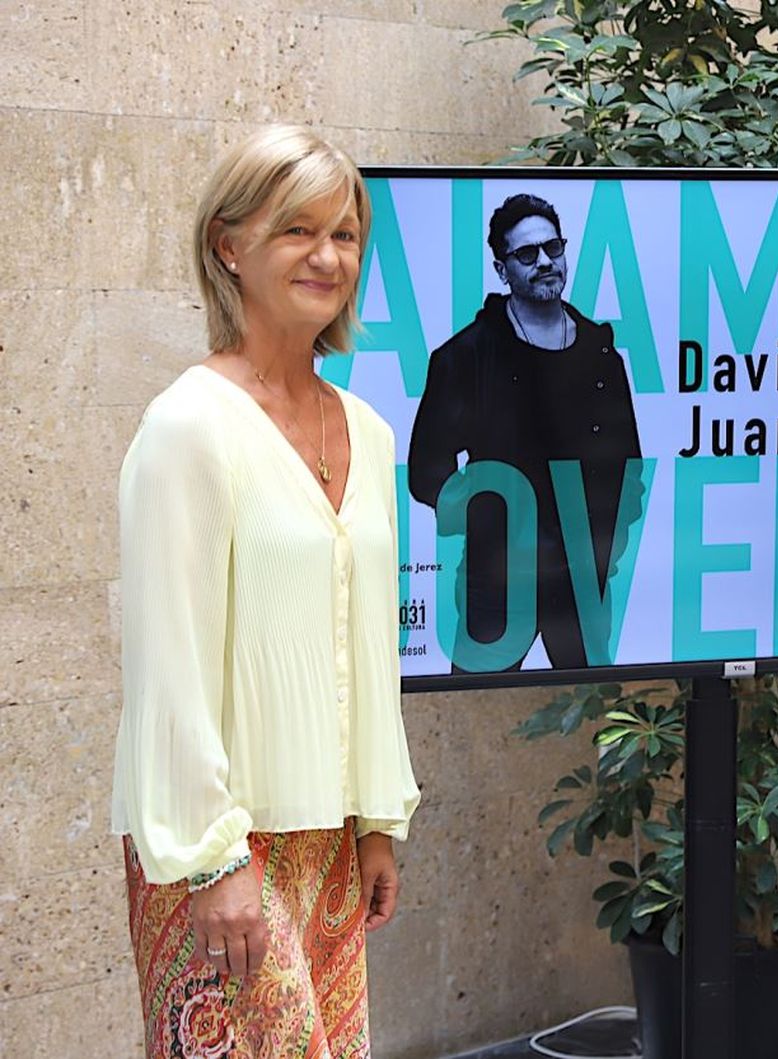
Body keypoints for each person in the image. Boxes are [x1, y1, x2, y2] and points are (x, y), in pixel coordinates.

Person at [112, 125, 421, 1058]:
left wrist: (374, 821)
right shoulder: (189, 427)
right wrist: (213, 859)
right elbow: (168, 660)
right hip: (213, 842)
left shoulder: (367, 430)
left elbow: (365, 647)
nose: (328, 256)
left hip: (328, 835)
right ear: (229, 246)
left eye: (345, 232)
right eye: (298, 230)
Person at [408, 192, 643, 672]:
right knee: (473, 706)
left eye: (552, 249)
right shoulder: (465, 357)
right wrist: (489, 524)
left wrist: (607, 549)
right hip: (498, 588)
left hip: (582, 585)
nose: (544, 262)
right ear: (502, 270)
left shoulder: (602, 357)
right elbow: (426, 473)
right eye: (526, 254)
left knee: (593, 711)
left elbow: (629, 466)